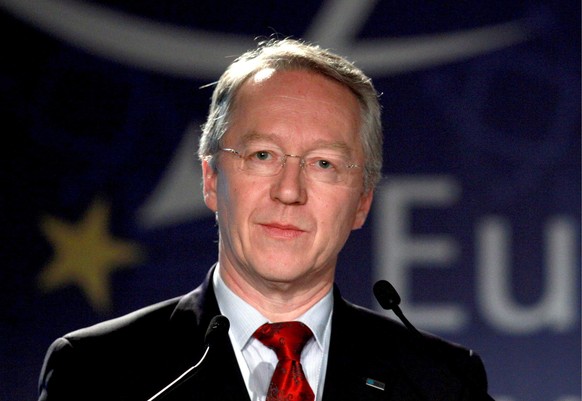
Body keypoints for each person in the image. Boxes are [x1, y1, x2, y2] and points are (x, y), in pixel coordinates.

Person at [38, 38, 493, 401]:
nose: (289, 191)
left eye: (324, 164)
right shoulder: (95, 371)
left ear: (362, 202)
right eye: (262, 155)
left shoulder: (442, 384)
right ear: (212, 179)